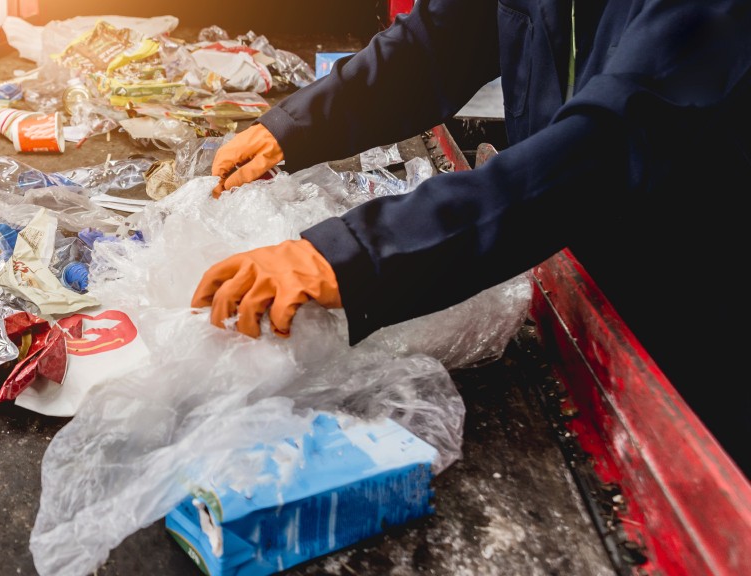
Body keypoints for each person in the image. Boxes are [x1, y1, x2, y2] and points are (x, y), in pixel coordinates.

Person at [190, 0, 751, 476]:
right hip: (558, 254)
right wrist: (292, 127)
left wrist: (355, 253)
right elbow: (438, 42)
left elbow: (608, 141)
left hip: (694, 311)